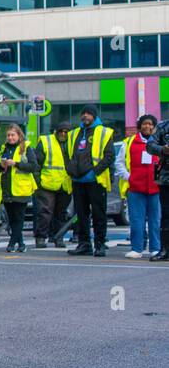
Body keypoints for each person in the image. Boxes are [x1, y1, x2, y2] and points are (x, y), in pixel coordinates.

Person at [65, 105, 115, 257]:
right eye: (83, 113)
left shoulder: (104, 132)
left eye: (88, 114)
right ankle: (84, 244)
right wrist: (70, 169)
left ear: (94, 116)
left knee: (99, 214)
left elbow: (109, 156)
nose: (85, 116)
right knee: (81, 214)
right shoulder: (74, 133)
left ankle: (99, 244)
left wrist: (95, 172)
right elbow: (68, 153)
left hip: (95, 180)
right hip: (78, 179)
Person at [113, 114, 160, 259]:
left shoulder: (160, 142)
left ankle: (156, 248)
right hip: (135, 188)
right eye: (145, 124)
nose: (148, 126)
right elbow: (119, 163)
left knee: (155, 220)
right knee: (136, 220)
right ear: (140, 126)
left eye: (151, 124)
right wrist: (129, 177)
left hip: (156, 188)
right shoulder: (129, 142)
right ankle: (137, 248)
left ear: (154, 127)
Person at [0, 123, 40, 253]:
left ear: (19, 135)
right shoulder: (2, 149)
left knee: (18, 218)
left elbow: (33, 166)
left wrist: (16, 164)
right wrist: (1, 165)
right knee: (12, 218)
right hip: (6, 188)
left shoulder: (26, 148)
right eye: (8, 135)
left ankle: (11, 243)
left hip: (21, 189)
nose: (10, 137)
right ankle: (21, 244)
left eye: (13, 135)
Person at [34, 122, 72, 248]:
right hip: (47, 183)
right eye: (61, 131)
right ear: (55, 131)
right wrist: (38, 181)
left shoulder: (71, 143)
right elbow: (37, 163)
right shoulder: (46, 141)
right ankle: (41, 237)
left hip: (65, 184)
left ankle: (58, 237)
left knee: (61, 213)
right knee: (45, 212)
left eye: (66, 132)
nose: (63, 134)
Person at [146, 116, 169, 261]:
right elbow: (149, 145)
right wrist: (163, 149)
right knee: (166, 216)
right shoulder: (163, 126)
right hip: (166, 179)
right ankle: (165, 249)